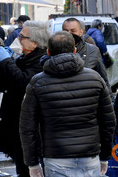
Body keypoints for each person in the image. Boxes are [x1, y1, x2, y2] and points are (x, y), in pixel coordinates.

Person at [20, 31, 116, 177]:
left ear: (48, 52)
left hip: (55, 156)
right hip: (89, 155)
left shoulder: (37, 82)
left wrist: (32, 163)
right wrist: (105, 156)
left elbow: (27, 127)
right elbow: (108, 122)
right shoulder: (95, 78)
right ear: (75, 50)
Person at [0, 21, 51, 177]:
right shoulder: (21, 59)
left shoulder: (41, 61)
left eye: (22, 36)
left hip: (32, 128)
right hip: (15, 123)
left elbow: (23, 82)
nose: (18, 39)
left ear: (35, 43)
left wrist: (6, 62)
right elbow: (3, 85)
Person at [62, 18, 111, 90]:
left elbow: (103, 78)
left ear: (81, 32)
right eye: (66, 31)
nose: (69, 34)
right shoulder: (56, 50)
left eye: (73, 31)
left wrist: (109, 99)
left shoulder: (92, 50)